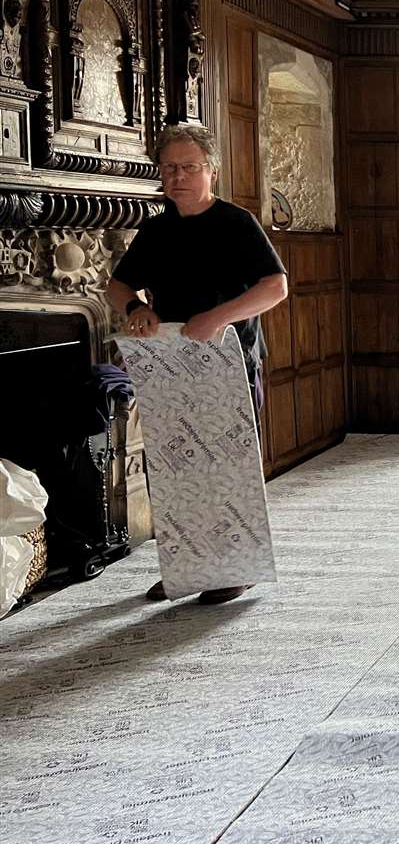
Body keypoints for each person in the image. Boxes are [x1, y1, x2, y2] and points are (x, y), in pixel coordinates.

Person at [105, 123, 288, 605]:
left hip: (230, 358)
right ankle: (187, 568)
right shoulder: (157, 228)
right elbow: (119, 286)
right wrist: (135, 309)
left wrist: (218, 317)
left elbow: (275, 287)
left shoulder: (236, 223)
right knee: (175, 471)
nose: (178, 177)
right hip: (170, 364)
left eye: (189, 167)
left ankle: (233, 569)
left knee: (227, 470)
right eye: (169, 168)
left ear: (212, 171)